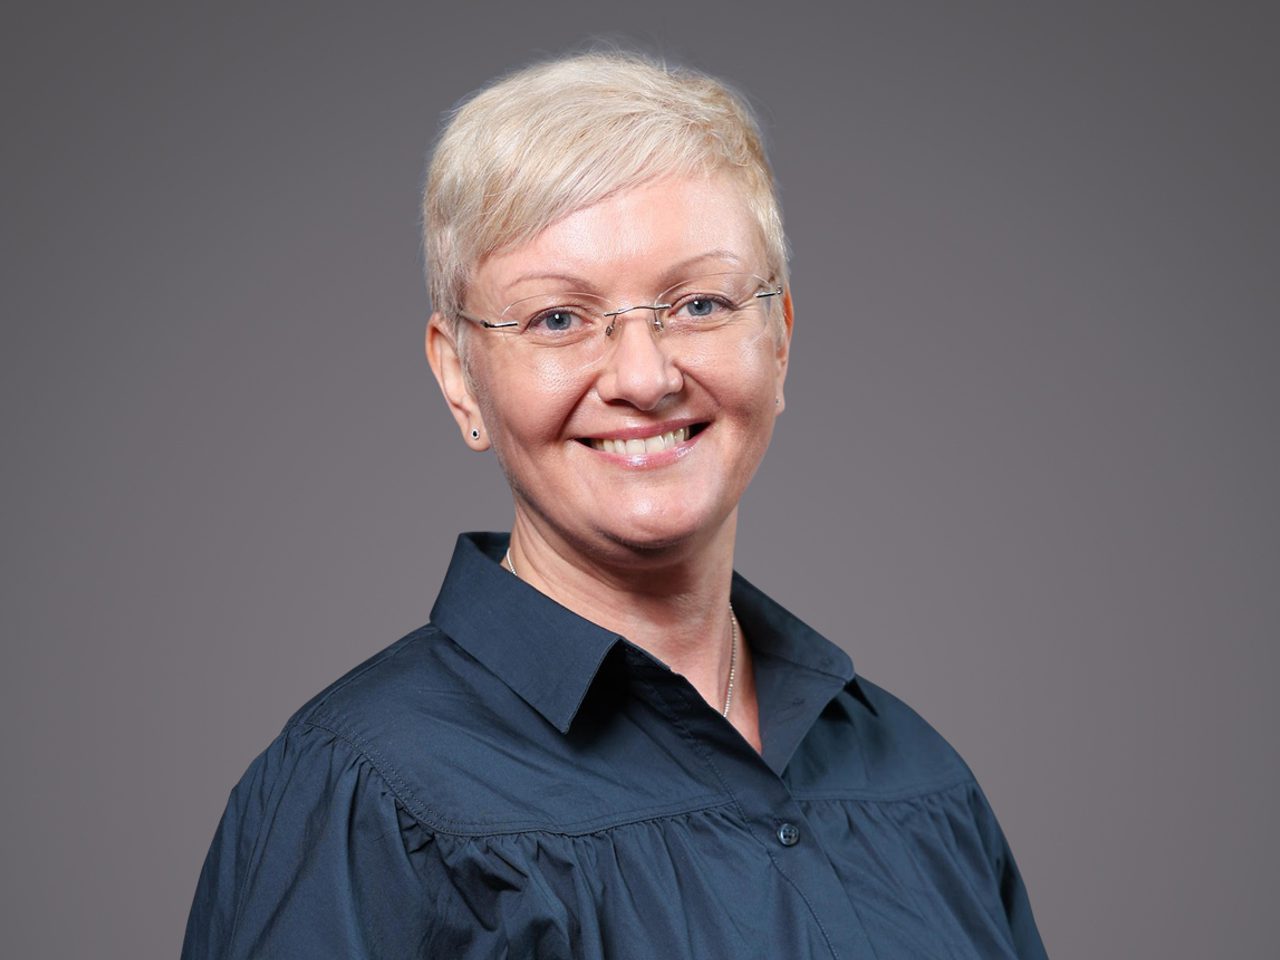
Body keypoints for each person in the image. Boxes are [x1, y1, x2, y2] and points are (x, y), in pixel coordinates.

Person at [182, 50, 1048, 959]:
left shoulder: (919, 782)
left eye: (699, 304)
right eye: (558, 318)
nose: (644, 376)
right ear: (460, 377)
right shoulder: (365, 800)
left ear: (779, 341)